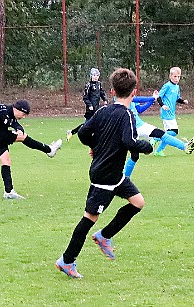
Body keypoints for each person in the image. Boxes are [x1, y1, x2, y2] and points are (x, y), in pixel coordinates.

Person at [55, 68, 153, 278]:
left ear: (111, 90)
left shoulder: (102, 111)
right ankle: (67, 260)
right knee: (89, 218)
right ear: (134, 92)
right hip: (105, 177)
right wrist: (147, 147)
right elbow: (129, 141)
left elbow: (82, 132)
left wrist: (94, 145)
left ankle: (104, 236)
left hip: (114, 175)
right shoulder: (126, 114)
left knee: (138, 202)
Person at [0, 99, 62, 199]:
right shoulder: (1, 110)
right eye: (23, 114)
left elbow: (15, 124)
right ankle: (49, 150)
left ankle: (9, 191)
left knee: (6, 161)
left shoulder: (12, 115)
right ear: (17, 109)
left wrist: (19, 129)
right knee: (23, 137)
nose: (23, 117)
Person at [123, 92, 194, 177]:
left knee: (160, 134)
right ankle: (125, 177)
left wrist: (152, 101)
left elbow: (139, 109)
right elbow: (136, 99)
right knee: (134, 154)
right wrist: (153, 98)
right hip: (130, 128)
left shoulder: (131, 95)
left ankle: (185, 147)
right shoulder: (121, 95)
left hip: (140, 125)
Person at [155, 66, 194, 157]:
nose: (177, 78)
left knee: (170, 135)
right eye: (175, 76)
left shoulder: (177, 87)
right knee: (174, 131)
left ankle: (158, 151)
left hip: (172, 112)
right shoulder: (167, 86)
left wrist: (183, 101)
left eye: (178, 77)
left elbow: (177, 98)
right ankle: (156, 138)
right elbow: (158, 96)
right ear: (170, 76)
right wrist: (163, 105)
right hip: (166, 112)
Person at [66, 68, 108, 142]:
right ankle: (71, 132)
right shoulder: (88, 85)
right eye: (94, 75)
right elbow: (85, 97)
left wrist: (105, 100)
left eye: (97, 75)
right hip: (90, 109)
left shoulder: (99, 84)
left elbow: (101, 93)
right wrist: (89, 105)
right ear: (91, 76)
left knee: (97, 122)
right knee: (87, 125)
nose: (95, 77)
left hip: (97, 107)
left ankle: (97, 138)